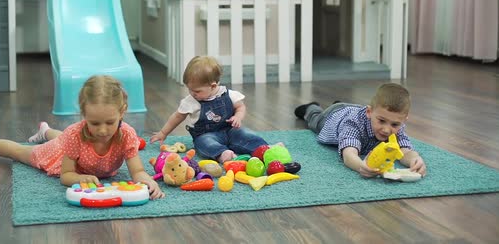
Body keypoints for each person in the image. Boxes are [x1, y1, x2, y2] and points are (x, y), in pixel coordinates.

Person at [0, 75, 165, 199]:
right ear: (84, 115)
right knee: (19, 152)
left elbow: (137, 170)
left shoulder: (127, 134)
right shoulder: (76, 134)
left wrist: (147, 181)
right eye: (94, 123)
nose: (103, 130)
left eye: (109, 122)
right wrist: (79, 177)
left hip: (72, 146)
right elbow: (65, 175)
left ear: (122, 112)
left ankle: (45, 131)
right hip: (59, 155)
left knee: (64, 138)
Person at [150, 55, 281, 163]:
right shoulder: (191, 101)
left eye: (196, 91)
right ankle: (224, 154)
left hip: (230, 130)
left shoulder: (228, 94)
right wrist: (163, 132)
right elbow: (177, 116)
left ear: (213, 86)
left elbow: (240, 106)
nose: (192, 93)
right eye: (189, 89)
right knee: (205, 144)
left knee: (247, 134)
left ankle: (266, 150)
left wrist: (238, 117)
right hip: (206, 135)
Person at [294, 83, 426, 178]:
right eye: (381, 121)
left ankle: (339, 103)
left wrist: (415, 159)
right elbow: (349, 155)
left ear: (404, 120)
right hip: (334, 117)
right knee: (315, 121)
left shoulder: (398, 128)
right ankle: (311, 107)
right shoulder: (353, 123)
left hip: (354, 109)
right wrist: (360, 166)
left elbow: (405, 151)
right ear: (369, 112)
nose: (386, 130)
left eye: (395, 124)